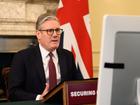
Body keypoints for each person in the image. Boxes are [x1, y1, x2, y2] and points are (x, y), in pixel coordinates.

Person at [8, 13, 83, 101]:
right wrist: (39, 98)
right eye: (50, 31)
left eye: (58, 30)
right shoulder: (22, 57)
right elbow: (13, 92)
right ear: (38, 34)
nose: (55, 35)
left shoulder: (67, 56)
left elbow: (77, 84)